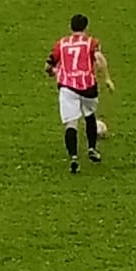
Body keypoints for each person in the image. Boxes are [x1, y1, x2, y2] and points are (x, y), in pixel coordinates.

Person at [45, 13, 115, 174]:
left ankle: (74, 158)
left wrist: (55, 71)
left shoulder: (61, 44)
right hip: (88, 86)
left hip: (67, 86)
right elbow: (99, 59)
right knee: (90, 114)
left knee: (71, 123)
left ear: (71, 27)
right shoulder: (91, 42)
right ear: (86, 27)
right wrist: (107, 79)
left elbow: (48, 67)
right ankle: (92, 148)